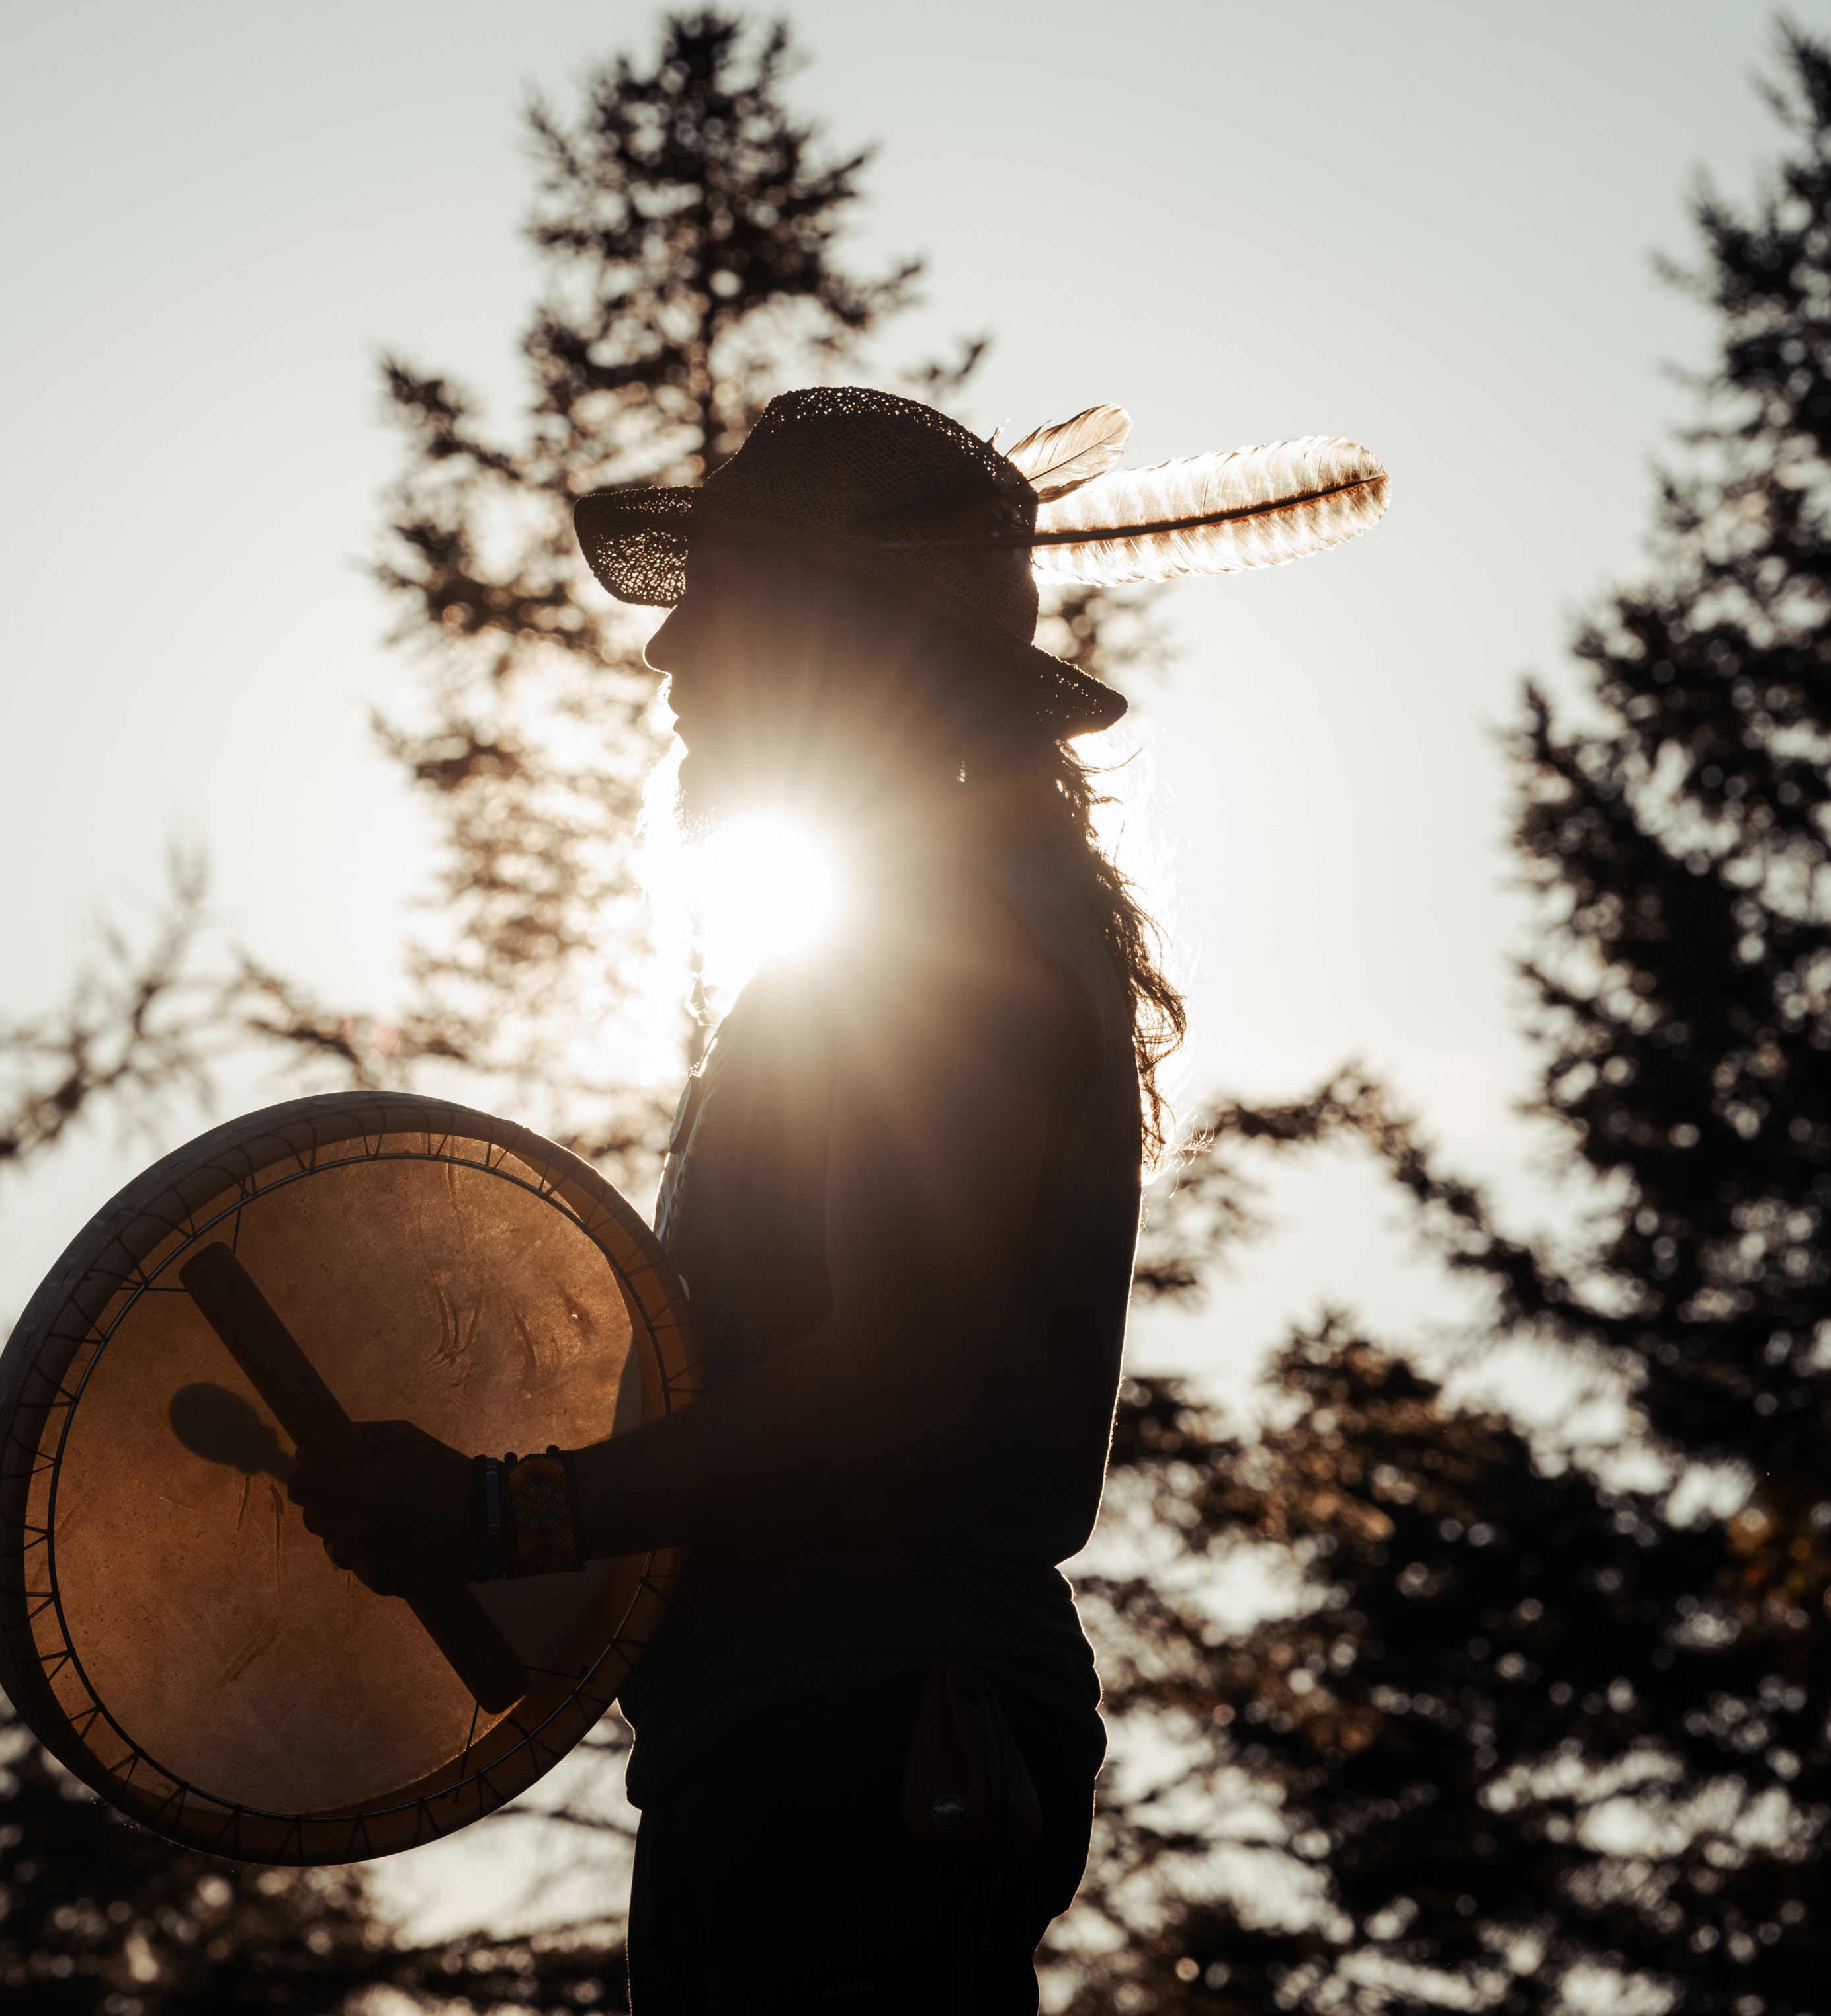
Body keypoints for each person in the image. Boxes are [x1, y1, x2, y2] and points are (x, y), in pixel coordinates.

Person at [289, 386, 1377, 2010]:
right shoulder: (915, 923)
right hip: (812, 1732)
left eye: (716, 599)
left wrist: (508, 1514)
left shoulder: (938, 932)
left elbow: (890, 1377)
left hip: (862, 1741)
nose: (668, 657)